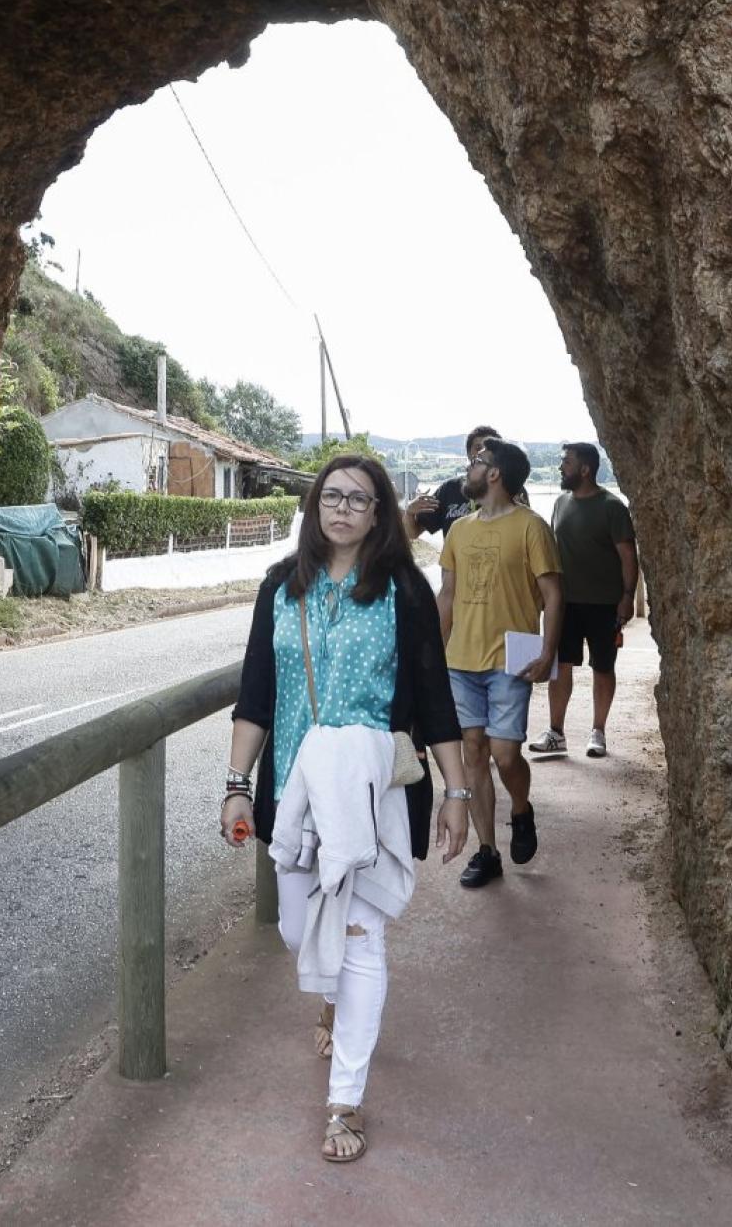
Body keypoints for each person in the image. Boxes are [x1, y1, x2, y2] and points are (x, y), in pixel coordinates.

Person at [224, 454, 472, 1164]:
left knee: (361, 939)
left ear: (379, 513)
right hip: (294, 794)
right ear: (313, 506)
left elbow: (432, 696)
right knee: (300, 929)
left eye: (358, 499)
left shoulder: (402, 588)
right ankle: (327, 998)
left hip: (372, 796)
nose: (342, 509)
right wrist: (237, 785)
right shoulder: (281, 587)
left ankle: (344, 1101)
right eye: (330, 496)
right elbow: (256, 694)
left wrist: (455, 794)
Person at [437, 437, 563, 888]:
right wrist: (433, 652)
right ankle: (487, 850)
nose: (468, 469)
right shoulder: (459, 531)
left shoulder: (531, 527)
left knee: (507, 755)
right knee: (473, 750)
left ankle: (522, 809)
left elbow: (552, 594)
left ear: (494, 474)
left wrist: (548, 650)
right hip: (460, 661)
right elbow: (447, 596)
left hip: (512, 659)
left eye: (476, 462)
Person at [530, 443, 639, 757]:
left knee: (603, 667)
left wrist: (627, 597)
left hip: (604, 603)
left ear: (585, 469)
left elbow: (628, 557)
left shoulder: (611, 506)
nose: (561, 466)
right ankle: (556, 732)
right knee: (559, 665)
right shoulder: (561, 503)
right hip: (565, 604)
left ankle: (598, 732)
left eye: (567, 461)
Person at [402, 425, 502, 542]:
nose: (483, 453)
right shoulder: (449, 489)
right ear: (469, 454)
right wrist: (409, 513)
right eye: (478, 447)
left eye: (489, 448)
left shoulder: (510, 489)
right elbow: (412, 533)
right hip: (454, 560)